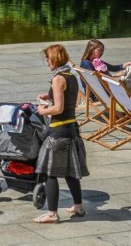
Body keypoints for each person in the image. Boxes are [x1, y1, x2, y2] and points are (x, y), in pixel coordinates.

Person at [33, 44, 89, 224]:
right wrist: (49, 97)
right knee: (70, 172)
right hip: (72, 129)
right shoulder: (70, 76)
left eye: (48, 59)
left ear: (54, 59)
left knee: (50, 173)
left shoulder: (58, 79)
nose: (47, 63)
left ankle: (52, 213)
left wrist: (42, 110)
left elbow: (59, 108)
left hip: (59, 132)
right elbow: (67, 99)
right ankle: (78, 206)